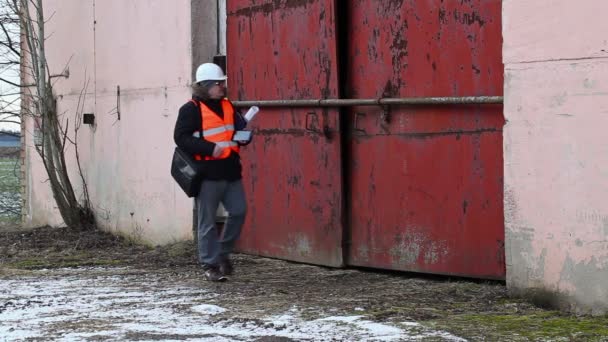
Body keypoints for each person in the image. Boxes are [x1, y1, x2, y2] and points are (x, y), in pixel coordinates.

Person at [173, 63, 249, 282]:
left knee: (239, 211)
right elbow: (181, 137)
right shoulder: (190, 109)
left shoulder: (227, 105)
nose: (222, 86)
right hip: (207, 174)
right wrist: (208, 148)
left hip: (231, 171)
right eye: (218, 83)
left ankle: (223, 253)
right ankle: (210, 265)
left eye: (222, 82)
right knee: (206, 222)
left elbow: (236, 130)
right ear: (205, 86)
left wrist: (245, 136)